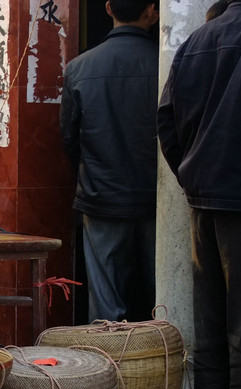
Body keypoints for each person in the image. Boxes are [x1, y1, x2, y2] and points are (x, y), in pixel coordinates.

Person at [158, 0, 241, 389]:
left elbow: (166, 120)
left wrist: (192, 178)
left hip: (204, 205)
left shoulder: (196, 40)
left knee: (214, 333)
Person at [59, 0, 160, 324]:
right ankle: (165, 370)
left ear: (107, 8)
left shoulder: (79, 67)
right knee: (166, 301)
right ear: (151, 11)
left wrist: (93, 170)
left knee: (105, 309)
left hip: (101, 197)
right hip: (158, 200)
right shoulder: (168, 62)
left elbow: (70, 138)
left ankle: (108, 371)